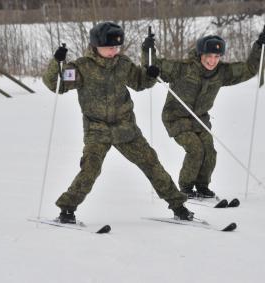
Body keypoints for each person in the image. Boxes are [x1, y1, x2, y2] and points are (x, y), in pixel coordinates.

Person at [43, 21, 193, 223]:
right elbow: (56, 84)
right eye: (109, 47)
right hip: (97, 130)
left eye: (116, 47)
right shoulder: (81, 68)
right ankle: (67, 209)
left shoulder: (122, 64)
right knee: (90, 169)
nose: (113, 51)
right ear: (96, 45)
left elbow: (139, 82)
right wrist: (56, 62)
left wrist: (149, 74)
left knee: (151, 162)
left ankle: (179, 206)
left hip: (126, 128)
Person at [142, 27, 265, 199]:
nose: (212, 61)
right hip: (176, 118)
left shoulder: (221, 72)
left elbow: (249, 69)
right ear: (200, 54)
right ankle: (186, 187)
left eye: (216, 57)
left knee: (209, 151)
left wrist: (259, 47)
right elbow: (152, 65)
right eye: (208, 56)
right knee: (195, 149)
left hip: (199, 119)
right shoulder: (182, 69)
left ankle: (202, 186)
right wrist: (147, 49)